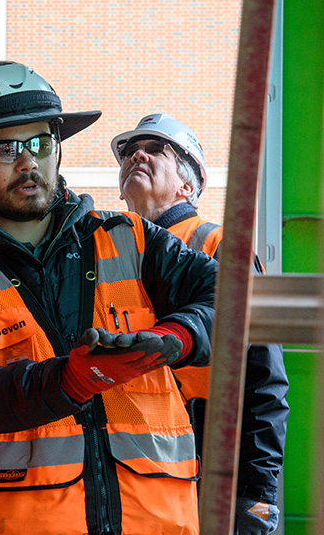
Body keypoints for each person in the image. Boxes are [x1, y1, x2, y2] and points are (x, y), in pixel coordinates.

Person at [0, 60, 219, 535]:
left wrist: (179, 335)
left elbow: (230, 297)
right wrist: (70, 380)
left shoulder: (132, 238)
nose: (28, 161)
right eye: (5, 148)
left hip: (157, 518)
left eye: (40, 143)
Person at [112, 113, 289, 535]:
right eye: (131, 152)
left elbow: (264, 379)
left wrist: (256, 494)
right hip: (128, 470)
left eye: (158, 150)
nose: (138, 154)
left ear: (187, 187)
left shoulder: (219, 246)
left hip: (206, 466)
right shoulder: (108, 255)